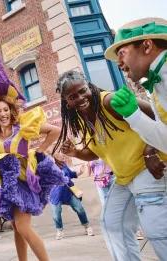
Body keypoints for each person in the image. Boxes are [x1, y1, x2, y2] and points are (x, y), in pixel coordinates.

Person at [53, 70, 167, 261]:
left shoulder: (109, 102)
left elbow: (160, 116)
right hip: (124, 178)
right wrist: (75, 152)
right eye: (73, 96)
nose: (80, 98)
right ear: (67, 102)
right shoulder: (81, 119)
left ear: (89, 86)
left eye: (82, 91)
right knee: (113, 225)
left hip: (147, 170)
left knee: (157, 231)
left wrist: (150, 150)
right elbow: (97, 152)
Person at [0, 45, 67, 261]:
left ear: (11, 110)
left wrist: (39, 152)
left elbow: (55, 131)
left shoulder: (22, 127)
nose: (3, 114)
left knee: (23, 228)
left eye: (6, 110)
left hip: (24, 182)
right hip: (5, 186)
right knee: (16, 227)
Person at [105, 18, 167, 159]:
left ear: (147, 46)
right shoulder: (157, 84)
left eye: (122, 53)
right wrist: (134, 115)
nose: (118, 64)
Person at [50, 156, 94, 240]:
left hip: (68, 192)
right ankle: (59, 230)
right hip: (55, 195)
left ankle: (86, 226)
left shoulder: (63, 165)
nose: (62, 155)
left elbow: (72, 174)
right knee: (56, 214)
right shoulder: (46, 168)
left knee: (80, 208)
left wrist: (80, 172)